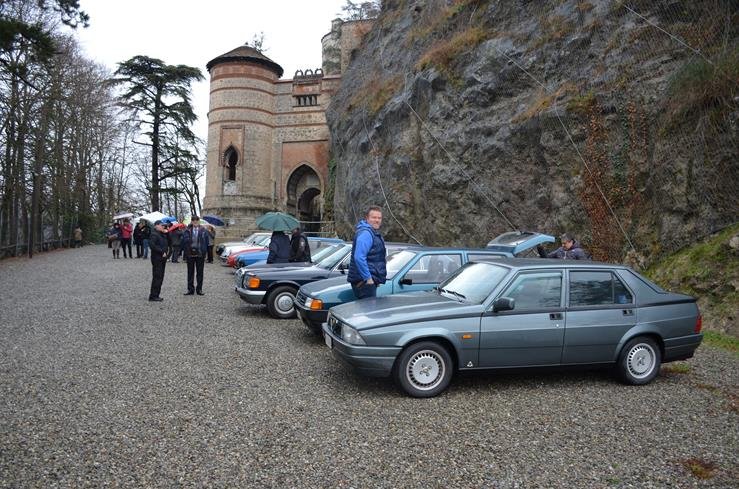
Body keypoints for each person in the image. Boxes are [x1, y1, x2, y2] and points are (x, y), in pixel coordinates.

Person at [347, 205, 387, 299]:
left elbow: (374, 259)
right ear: (367, 218)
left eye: (379, 218)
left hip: (366, 282)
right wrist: (368, 279)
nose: (377, 220)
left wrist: (376, 279)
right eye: (374, 217)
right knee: (369, 308)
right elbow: (359, 258)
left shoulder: (371, 232)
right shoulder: (366, 233)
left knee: (366, 308)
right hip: (364, 283)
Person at [181, 216, 210, 295]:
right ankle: (190, 289)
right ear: (191, 221)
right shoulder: (187, 230)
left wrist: (205, 252)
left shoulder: (203, 230)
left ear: (198, 221)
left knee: (200, 272)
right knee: (190, 272)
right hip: (190, 254)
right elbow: (183, 241)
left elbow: (207, 242)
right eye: (193, 220)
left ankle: (199, 289)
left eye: (196, 220)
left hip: (200, 254)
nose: (195, 221)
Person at [148, 220, 170, 301]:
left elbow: (169, 242)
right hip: (157, 258)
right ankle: (153, 296)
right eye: (161, 225)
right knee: (157, 277)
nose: (163, 226)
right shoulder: (154, 234)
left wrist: (167, 233)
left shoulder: (162, 234)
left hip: (163, 258)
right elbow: (152, 245)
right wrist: (161, 251)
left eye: (163, 225)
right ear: (156, 226)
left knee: (160, 277)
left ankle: (156, 294)